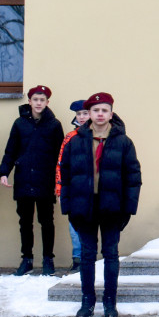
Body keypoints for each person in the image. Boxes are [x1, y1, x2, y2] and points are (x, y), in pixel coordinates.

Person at [59, 92, 142, 317]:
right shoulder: (76, 141)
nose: (100, 114)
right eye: (95, 110)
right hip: (83, 207)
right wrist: (67, 206)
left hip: (112, 207)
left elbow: (133, 177)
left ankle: (109, 301)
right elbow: (64, 175)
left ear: (111, 114)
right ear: (88, 115)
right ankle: (87, 301)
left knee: (111, 254)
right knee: (87, 255)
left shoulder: (123, 142)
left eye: (104, 110)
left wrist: (128, 209)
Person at [0, 85, 64, 276]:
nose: (38, 103)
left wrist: (60, 181)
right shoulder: (20, 123)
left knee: (46, 220)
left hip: (45, 179)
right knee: (25, 221)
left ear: (47, 103)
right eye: (35, 99)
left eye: (42, 100)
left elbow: (60, 154)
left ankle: (48, 259)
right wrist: (4, 172)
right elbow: (11, 150)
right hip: (24, 178)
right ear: (29, 101)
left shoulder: (54, 124)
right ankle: (26, 259)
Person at [56, 100, 89, 273]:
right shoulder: (70, 137)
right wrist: (60, 189)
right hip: (74, 189)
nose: (82, 117)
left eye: (85, 113)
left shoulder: (100, 134)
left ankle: (89, 258)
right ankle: (77, 259)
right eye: (79, 114)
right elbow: (61, 164)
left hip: (93, 188)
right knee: (74, 225)